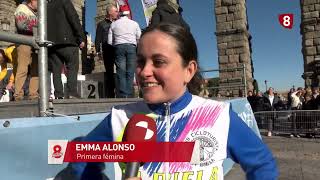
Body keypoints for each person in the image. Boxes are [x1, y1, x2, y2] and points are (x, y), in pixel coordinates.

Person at [71, 24, 278, 179]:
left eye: (159, 62)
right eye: (141, 61)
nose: (144, 72)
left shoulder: (218, 115)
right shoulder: (121, 117)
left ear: (189, 70)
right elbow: (80, 157)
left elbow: (262, 164)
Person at [47, 0, 85, 99]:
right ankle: (72, 92)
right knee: (72, 66)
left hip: (52, 43)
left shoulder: (46, 5)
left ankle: (58, 94)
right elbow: (74, 18)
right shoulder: (65, 2)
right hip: (67, 41)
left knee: (56, 70)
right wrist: (81, 37)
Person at [108, 5, 141, 98]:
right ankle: (129, 93)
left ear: (119, 14)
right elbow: (139, 37)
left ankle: (123, 94)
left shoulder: (113, 24)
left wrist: (117, 43)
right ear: (128, 14)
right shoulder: (134, 23)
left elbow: (109, 41)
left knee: (121, 71)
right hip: (131, 47)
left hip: (119, 47)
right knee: (130, 71)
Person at [14, 0, 39, 101]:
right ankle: (18, 94)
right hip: (24, 41)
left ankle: (33, 94)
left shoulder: (37, 13)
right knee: (23, 68)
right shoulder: (22, 8)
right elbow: (21, 25)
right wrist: (37, 28)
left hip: (35, 43)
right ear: (32, 0)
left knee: (36, 70)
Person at [95, 4, 119, 98]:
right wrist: (97, 51)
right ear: (110, 12)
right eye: (115, 11)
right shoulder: (101, 24)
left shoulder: (118, 23)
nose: (117, 13)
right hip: (107, 50)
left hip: (117, 49)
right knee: (109, 72)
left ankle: (121, 93)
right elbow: (98, 38)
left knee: (120, 70)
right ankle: (110, 94)